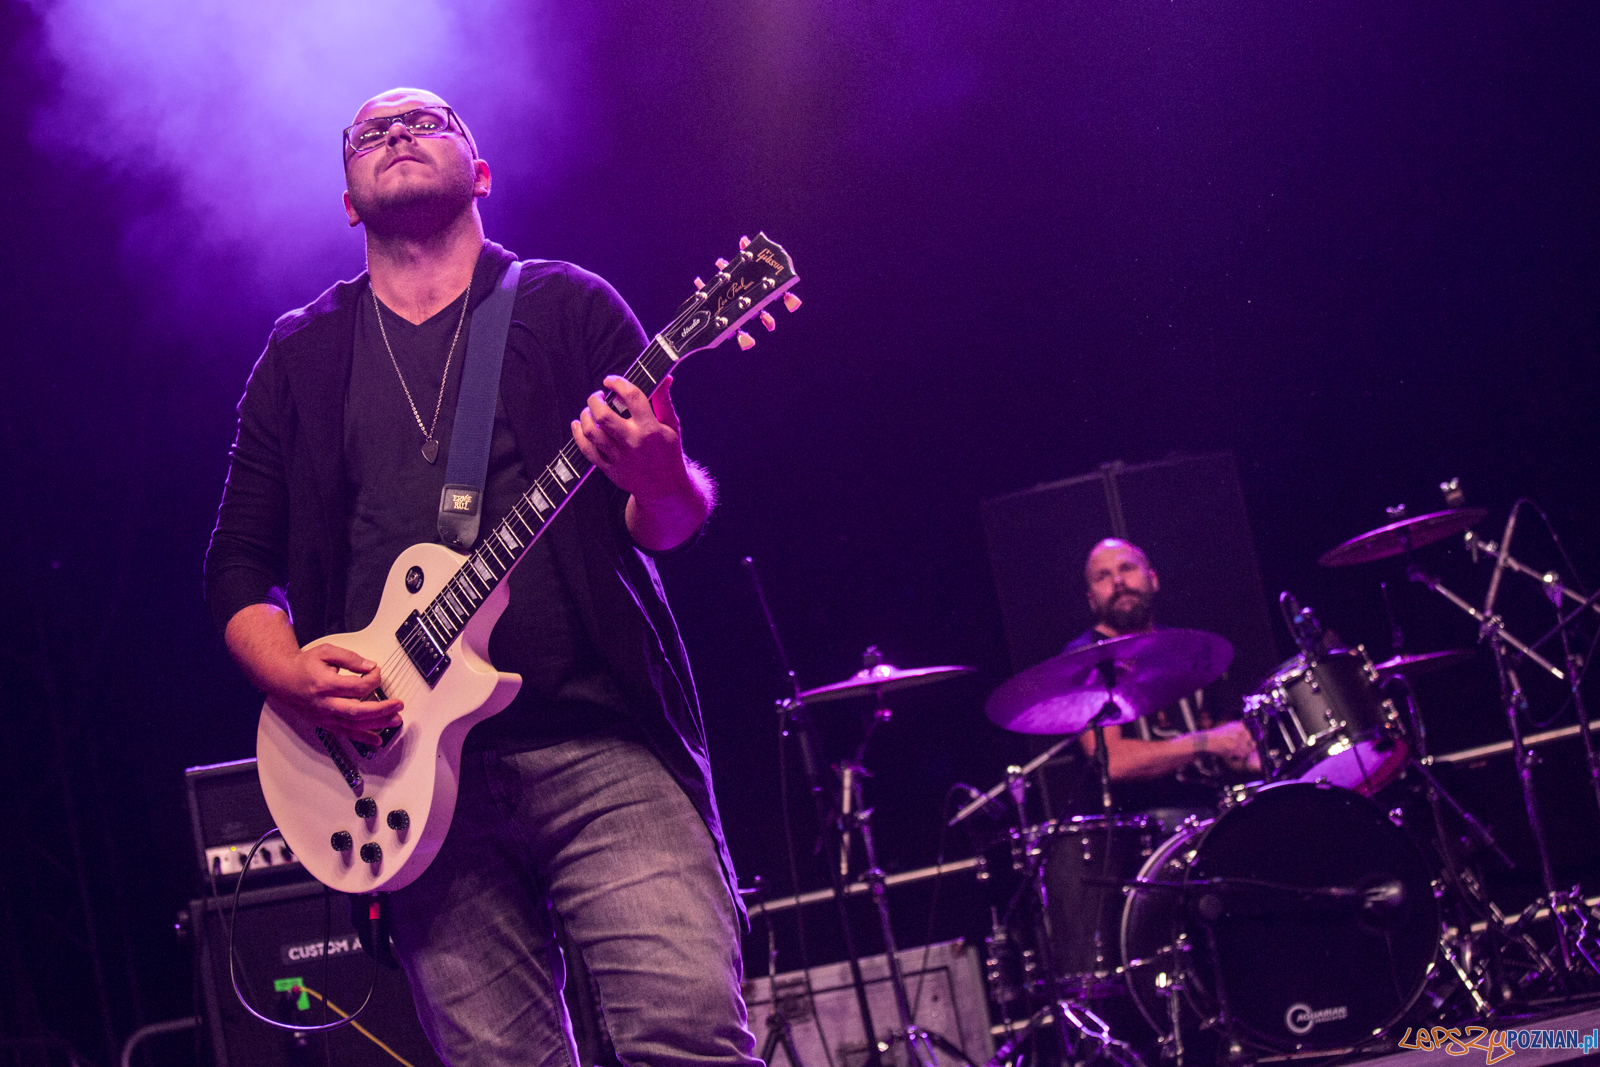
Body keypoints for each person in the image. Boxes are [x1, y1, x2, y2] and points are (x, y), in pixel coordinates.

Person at [204, 87, 760, 1067]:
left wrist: (660, 472)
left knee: (686, 1033)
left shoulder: (567, 305)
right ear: (346, 199)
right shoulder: (301, 354)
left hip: (600, 739)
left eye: (428, 121)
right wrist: (290, 677)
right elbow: (237, 566)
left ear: (481, 168)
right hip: (403, 780)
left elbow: (667, 523)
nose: (398, 135)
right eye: (370, 133)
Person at [1068, 538, 1259, 816]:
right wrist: (1206, 742)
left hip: (1216, 811)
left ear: (1153, 579)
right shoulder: (1084, 659)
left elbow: (1225, 739)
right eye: (1103, 576)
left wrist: (1246, 755)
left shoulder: (1190, 649)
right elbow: (1113, 761)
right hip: (1144, 828)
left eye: (1127, 568)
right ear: (1091, 599)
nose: (1118, 581)